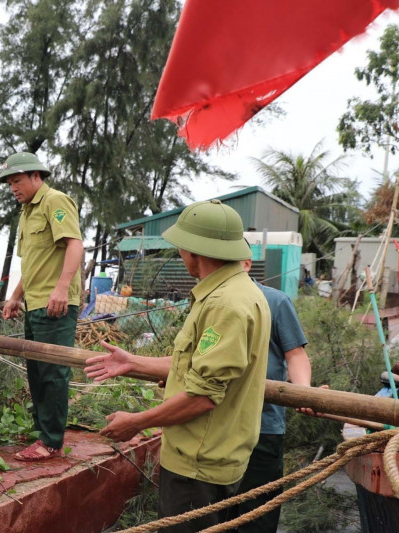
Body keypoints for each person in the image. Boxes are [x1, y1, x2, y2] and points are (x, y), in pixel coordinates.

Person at [84, 199, 270, 532]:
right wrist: (133, 361)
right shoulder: (239, 292)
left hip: (198, 468)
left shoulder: (226, 304)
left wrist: (137, 422)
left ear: (194, 251)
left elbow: (203, 397)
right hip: (210, 458)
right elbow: (196, 367)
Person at [0, 151, 83, 461]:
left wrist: (62, 288)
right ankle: (42, 433)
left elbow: (74, 244)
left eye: (17, 180)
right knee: (36, 370)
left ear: (36, 176)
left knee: (53, 372)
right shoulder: (27, 212)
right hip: (35, 303)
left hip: (55, 304)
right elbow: (33, 263)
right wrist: (16, 295)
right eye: (9, 183)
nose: (13, 188)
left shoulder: (55, 201)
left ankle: (51, 442)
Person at [225, 258, 311, 533]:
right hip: (215, 425)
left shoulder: (275, 301)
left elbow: (295, 355)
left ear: (247, 264)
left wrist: (304, 393)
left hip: (263, 427)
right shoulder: (209, 301)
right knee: (216, 514)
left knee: (257, 514)